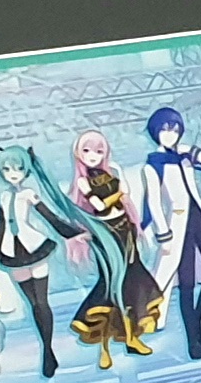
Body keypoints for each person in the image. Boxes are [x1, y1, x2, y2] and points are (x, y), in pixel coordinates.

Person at [0, 144, 102, 381]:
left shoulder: (29, 194)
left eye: (18, 169)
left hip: (35, 247)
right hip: (12, 253)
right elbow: (1, 228)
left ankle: (48, 351)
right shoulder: (3, 197)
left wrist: (72, 233)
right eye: (7, 169)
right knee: (33, 303)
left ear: (26, 170)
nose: (12, 174)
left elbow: (49, 216)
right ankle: (47, 348)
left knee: (41, 302)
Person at [127, 106, 201, 359]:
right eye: (164, 129)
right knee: (187, 284)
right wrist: (163, 233)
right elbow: (153, 203)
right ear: (155, 132)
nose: (170, 135)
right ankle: (195, 342)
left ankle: (196, 319)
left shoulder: (185, 157)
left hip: (199, 219)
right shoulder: (153, 165)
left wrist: (194, 153)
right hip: (177, 226)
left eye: (174, 129)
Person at [66, 131, 161, 366]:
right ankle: (105, 347)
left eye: (98, 151)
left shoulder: (110, 172)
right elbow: (99, 205)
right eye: (87, 150)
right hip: (106, 234)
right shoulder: (82, 181)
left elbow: (125, 199)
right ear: (78, 152)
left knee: (133, 281)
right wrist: (120, 192)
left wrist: (120, 178)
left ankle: (131, 337)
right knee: (112, 284)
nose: (92, 156)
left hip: (124, 229)